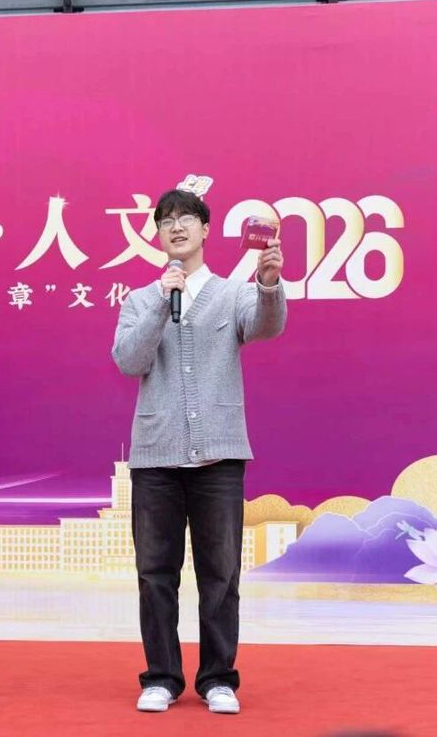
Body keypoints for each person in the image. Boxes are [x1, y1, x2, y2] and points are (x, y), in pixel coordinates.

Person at [111, 189, 286, 715]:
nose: (177, 227)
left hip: (219, 457)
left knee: (221, 574)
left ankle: (218, 679)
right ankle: (161, 677)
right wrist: (162, 304)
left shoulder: (233, 294)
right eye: (166, 220)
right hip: (155, 458)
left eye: (187, 218)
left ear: (206, 229)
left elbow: (267, 326)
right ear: (157, 234)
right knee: (155, 574)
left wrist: (269, 283)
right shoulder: (141, 299)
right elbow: (129, 360)